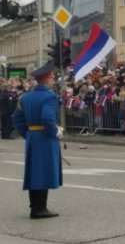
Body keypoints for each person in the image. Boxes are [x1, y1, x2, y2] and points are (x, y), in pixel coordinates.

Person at [12, 62, 63, 219]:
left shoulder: (26, 97)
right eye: (52, 77)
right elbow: (47, 118)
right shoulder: (49, 96)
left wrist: (27, 133)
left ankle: (35, 206)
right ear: (47, 78)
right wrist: (56, 131)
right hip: (45, 138)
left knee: (35, 172)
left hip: (33, 137)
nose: (54, 79)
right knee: (44, 172)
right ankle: (40, 208)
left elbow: (17, 118)